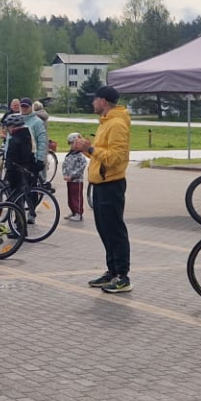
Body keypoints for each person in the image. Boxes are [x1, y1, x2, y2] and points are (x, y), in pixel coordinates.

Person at [75, 86, 132, 293]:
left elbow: (116, 158)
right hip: (100, 184)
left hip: (111, 185)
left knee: (115, 230)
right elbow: (102, 155)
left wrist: (90, 148)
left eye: (95, 99)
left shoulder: (116, 124)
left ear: (104, 101)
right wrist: (86, 149)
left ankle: (123, 276)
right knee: (105, 230)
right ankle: (112, 270)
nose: (92, 103)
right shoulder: (106, 123)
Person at [0, 113, 36, 206]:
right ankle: (19, 212)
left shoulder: (14, 140)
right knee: (20, 194)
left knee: (15, 196)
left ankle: (17, 213)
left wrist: (8, 168)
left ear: (12, 127)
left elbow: (10, 157)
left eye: (8, 127)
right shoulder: (27, 136)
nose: (7, 130)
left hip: (15, 171)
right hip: (24, 168)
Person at [21, 98, 50, 185]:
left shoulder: (37, 122)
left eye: (26, 107)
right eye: (22, 106)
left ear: (31, 107)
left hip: (32, 158)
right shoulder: (17, 120)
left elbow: (42, 141)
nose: (24, 108)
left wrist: (40, 159)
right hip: (19, 158)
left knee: (31, 186)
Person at [61, 133, 88, 223]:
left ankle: (78, 213)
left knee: (77, 197)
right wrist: (65, 174)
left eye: (73, 143)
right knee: (70, 197)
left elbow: (81, 168)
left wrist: (72, 175)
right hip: (69, 180)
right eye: (70, 143)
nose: (72, 145)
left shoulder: (80, 156)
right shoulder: (69, 155)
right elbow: (64, 165)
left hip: (77, 180)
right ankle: (73, 211)